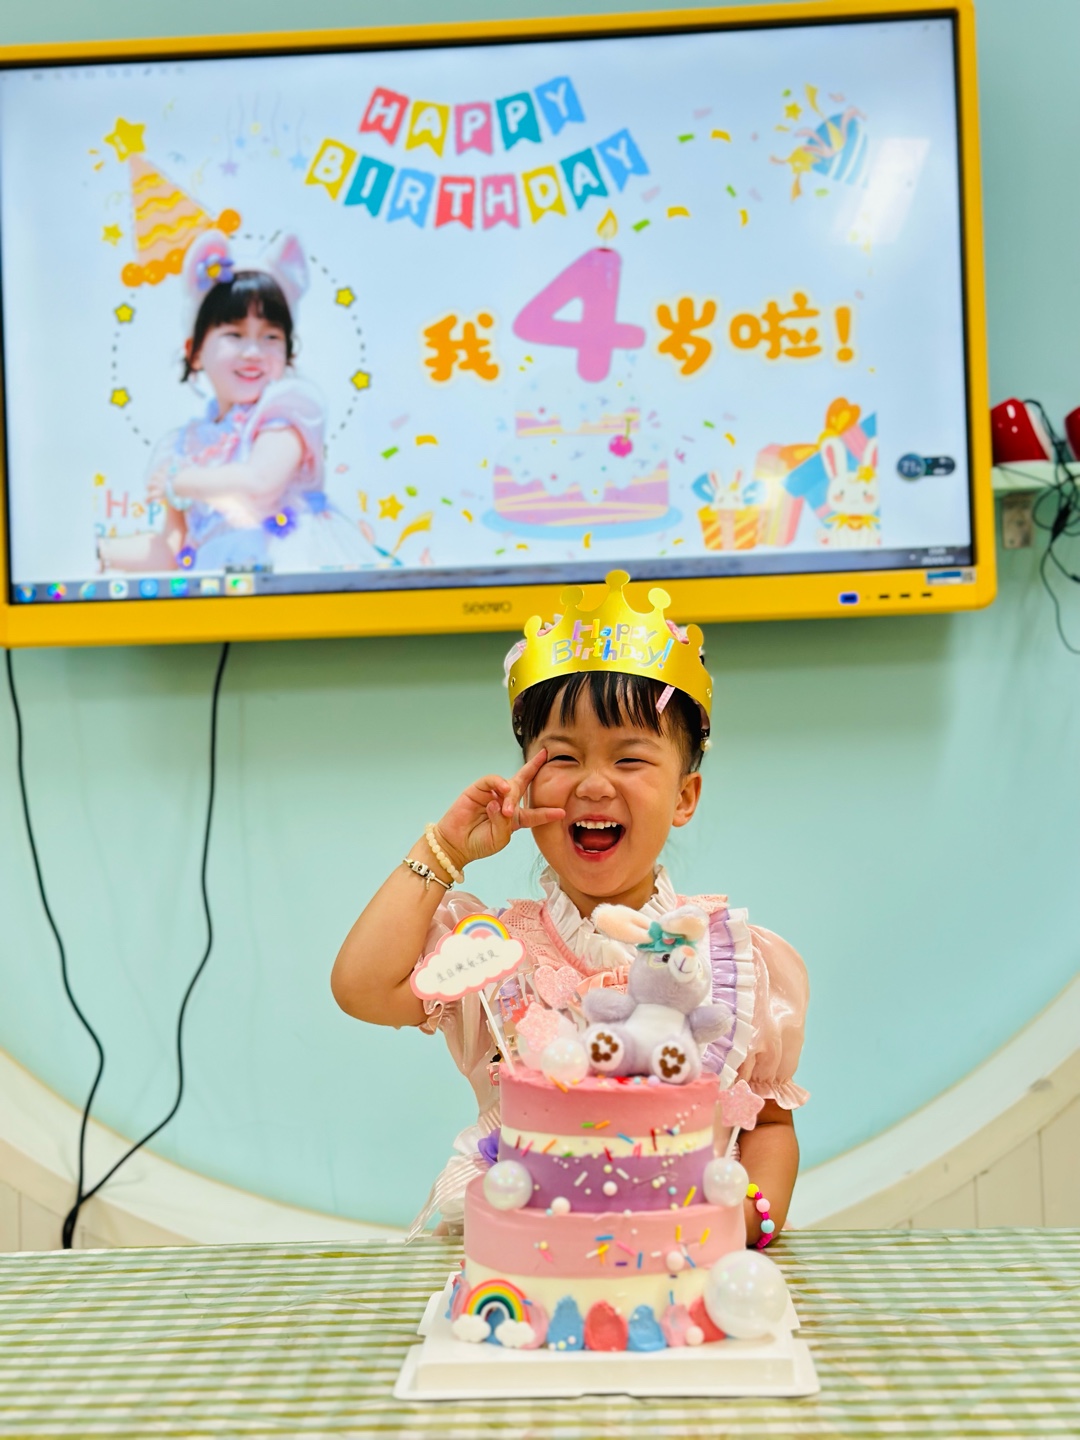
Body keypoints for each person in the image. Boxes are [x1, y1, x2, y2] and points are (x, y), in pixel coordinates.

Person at [332, 571, 808, 1243]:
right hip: (518, 1259)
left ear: (685, 797)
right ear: (526, 780)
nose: (594, 783)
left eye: (630, 759)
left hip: (682, 1260)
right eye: (561, 757)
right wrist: (444, 850)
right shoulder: (490, 952)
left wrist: (750, 1224)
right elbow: (361, 988)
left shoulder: (732, 963)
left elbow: (769, 1125)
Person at [98, 229, 367, 575]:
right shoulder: (181, 448)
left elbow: (259, 484)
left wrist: (180, 482)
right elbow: (172, 550)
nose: (253, 351)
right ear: (195, 352)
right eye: (234, 335)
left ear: (288, 352)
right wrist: (102, 552)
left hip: (286, 574)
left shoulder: (282, 416)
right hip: (222, 588)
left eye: (271, 336)